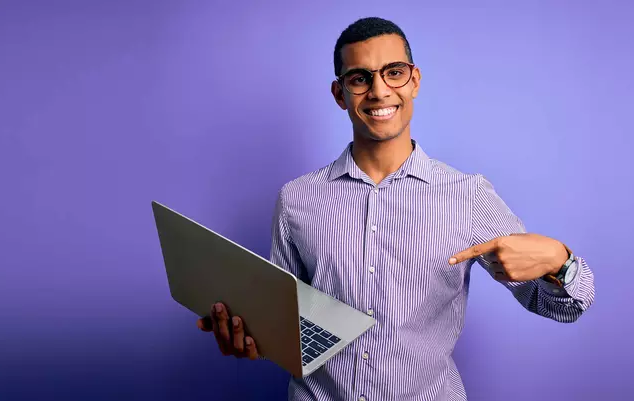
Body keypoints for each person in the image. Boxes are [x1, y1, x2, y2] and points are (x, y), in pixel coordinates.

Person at [196, 16, 596, 401]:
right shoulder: (296, 200)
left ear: (414, 80)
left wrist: (558, 259)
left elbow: (567, 306)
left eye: (394, 72)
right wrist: (251, 340)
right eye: (360, 78)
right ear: (340, 94)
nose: (379, 91)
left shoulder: (467, 196)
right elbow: (283, 329)